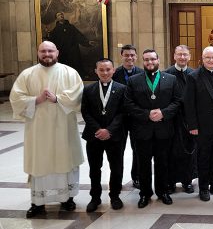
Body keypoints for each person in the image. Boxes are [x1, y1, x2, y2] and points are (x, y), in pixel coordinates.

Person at [9, 41, 84, 218]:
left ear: (57, 52)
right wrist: (36, 100)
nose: (47, 54)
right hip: (38, 130)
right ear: (38, 53)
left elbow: (78, 94)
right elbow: (16, 98)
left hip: (63, 128)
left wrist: (58, 99)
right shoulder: (28, 74)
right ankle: (38, 203)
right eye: (43, 51)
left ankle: (67, 199)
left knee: (65, 159)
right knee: (40, 162)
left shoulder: (69, 72)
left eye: (50, 51)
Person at [124, 49, 183, 208]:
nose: (149, 62)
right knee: (143, 164)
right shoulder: (133, 80)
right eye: (146, 60)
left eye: (152, 59)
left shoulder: (171, 79)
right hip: (142, 130)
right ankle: (145, 194)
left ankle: (163, 191)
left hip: (164, 129)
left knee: (162, 162)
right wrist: (146, 114)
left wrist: (163, 113)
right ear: (142, 62)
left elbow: (177, 102)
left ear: (158, 60)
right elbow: (128, 104)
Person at [81, 58, 127, 212]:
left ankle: (115, 195)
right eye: (101, 70)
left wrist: (109, 130)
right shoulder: (88, 89)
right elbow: (85, 112)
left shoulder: (122, 89)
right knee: (95, 168)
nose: (105, 73)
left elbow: (123, 112)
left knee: (116, 167)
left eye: (108, 69)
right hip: (94, 136)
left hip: (115, 136)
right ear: (96, 71)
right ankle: (95, 197)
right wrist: (98, 130)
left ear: (113, 70)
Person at [185, 46, 213, 202]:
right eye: (207, 58)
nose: (211, 60)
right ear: (202, 59)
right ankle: (203, 187)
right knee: (203, 156)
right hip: (202, 126)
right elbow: (189, 103)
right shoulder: (194, 76)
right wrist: (193, 126)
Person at [164, 45, 195, 194]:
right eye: (179, 55)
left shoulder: (194, 74)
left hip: (189, 120)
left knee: (189, 151)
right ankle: (170, 182)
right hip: (172, 120)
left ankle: (187, 181)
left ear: (189, 57)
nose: (182, 57)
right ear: (174, 56)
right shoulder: (166, 75)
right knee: (171, 151)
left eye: (185, 55)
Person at [113, 44, 143, 190]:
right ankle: (117, 179)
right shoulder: (115, 73)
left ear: (136, 57)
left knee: (137, 150)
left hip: (137, 119)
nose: (129, 58)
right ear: (122, 56)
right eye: (126, 55)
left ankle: (136, 177)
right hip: (120, 119)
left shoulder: (142, 73)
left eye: (132, 55)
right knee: (118, 150)